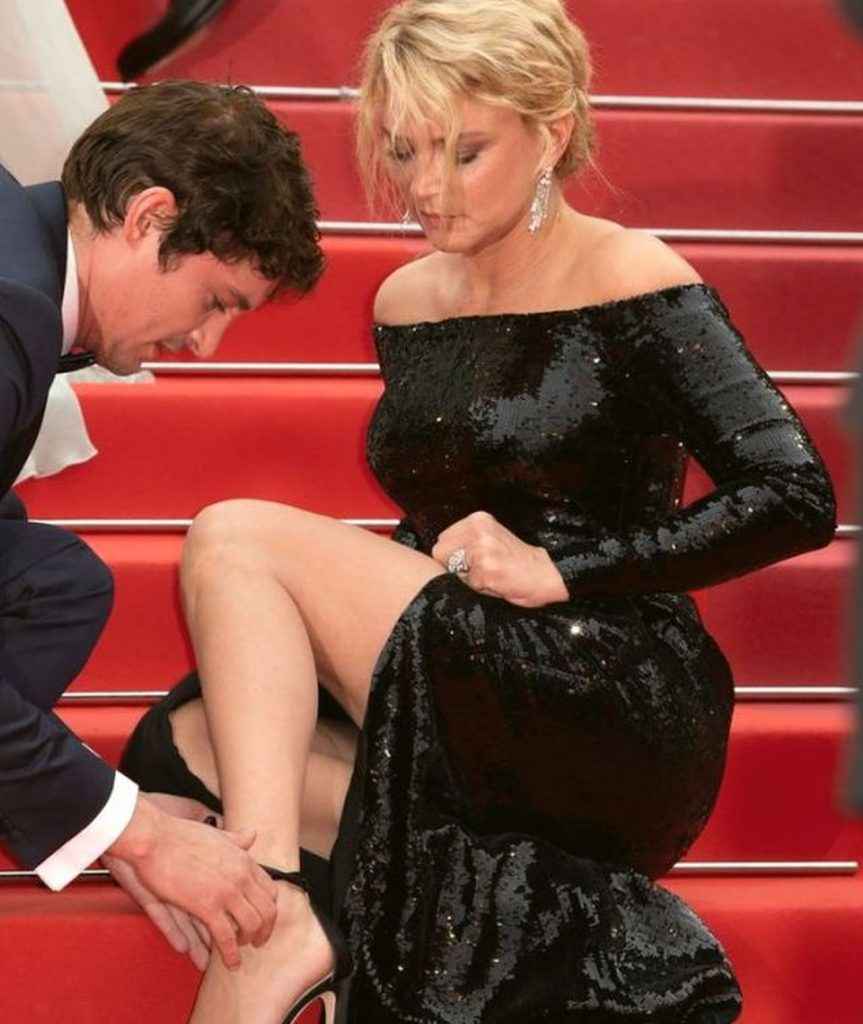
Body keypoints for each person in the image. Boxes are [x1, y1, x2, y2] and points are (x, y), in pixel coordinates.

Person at [120, 1, 837, 1021]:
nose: (423, 186)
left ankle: (273, 913)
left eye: (463, 152)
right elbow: (450, 506)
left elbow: (795, 495)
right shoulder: (406, 300)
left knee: (233, 535)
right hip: (470, 662)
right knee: (197, 741)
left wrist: (562, 570)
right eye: (402, 150)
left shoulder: (631, 275)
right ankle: (321, 912)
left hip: (606, 683)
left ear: (550, 133)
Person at [0, 79, 324, 974]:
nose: (205, 344)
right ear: (148, 217)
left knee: (56, 581)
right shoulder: (8, 311)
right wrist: (131, 828)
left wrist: (85, 813)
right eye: (216, 301)